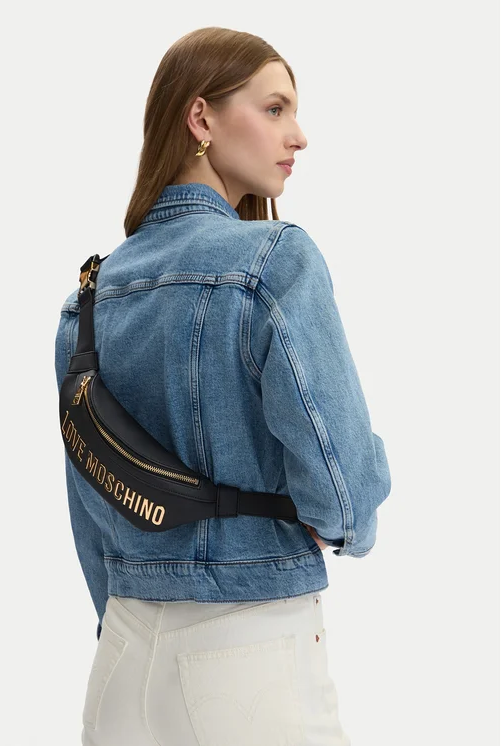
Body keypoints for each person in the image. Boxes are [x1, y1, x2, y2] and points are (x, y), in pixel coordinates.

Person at [54, 26, 392, 746]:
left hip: (120, 667)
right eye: (274, 108)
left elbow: (90, 509)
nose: (298, 135)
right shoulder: (274, 260)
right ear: (200, 118)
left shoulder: (89, 297)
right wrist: (349, 519)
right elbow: (344, 493)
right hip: (250, 660)